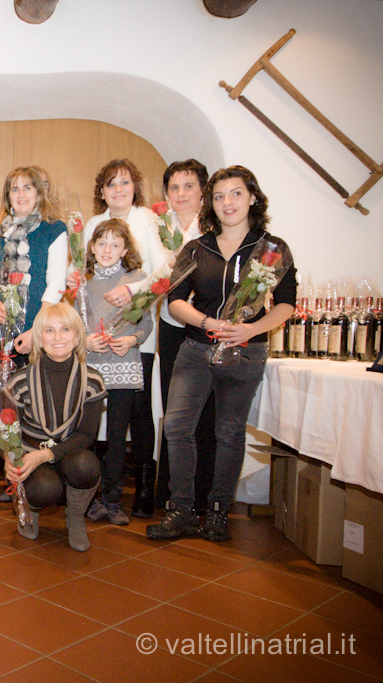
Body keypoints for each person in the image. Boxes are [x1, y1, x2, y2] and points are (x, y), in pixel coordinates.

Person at [147, 166, 296, 542]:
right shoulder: (197, 247)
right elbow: (175, 300)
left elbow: (286, 304)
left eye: (235, 194)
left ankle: (217, 512)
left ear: (252, 198)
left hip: (246, 352)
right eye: (219, 196)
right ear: (210, 204)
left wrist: (251, 328)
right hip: (196, 349)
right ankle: (180, 509)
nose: (227, 203)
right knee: (179, 428)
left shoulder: (272, 249)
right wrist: (206, 322)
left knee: (229, 433)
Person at [79, 159, 169, 519]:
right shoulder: (93, 226)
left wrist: (132, 290)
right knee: (94, 425)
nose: (118, 189)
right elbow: (81, 302)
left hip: (131, 346)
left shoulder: (146, 219)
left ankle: (134, 491)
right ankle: (90, 491)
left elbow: (162, 272)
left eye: (125, 183)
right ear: (101, 190)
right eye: (111, 183)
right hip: (96, 352)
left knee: (134, 418)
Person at [3, 303, 106, 551]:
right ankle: (29, 511)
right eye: (49, 331)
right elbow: (6, 430)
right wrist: (9, 458)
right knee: (44, 487)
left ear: (78, 335)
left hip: (69, 453)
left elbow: (87, 436)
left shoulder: (93, 380)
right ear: (39, 337)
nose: (58, 337)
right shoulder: (19, 379)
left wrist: (47, 454)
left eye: (65, 329)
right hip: (30, 455)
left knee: (87, 464)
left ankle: (75, 518)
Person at [152, 159, 216, 518]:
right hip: (172, 325)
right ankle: (171, 496)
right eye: (174, 188)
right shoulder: (159, 228)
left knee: (206, 413)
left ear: (202, 192)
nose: (181, 194)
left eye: (188, 186)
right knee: (174, 412)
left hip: (207, 327)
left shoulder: (213, 228)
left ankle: (205, 497)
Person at [78, 220, 152, 526]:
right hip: (93, 368)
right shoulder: (84, 285)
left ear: (125, 250)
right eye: (102, 243)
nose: (108, 250)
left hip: (124, 366)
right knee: (91, 437)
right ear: (92, 248)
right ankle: (92, 497)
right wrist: (85, 341)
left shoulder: (136, 280)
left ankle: (113, 498)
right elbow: (76, 329)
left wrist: (133, 339)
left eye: (115, 244)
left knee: (118, 436)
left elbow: (147, 322)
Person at [0, 166, 68, 361]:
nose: (21, 194)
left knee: (35, 390)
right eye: (15, 189)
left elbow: (56, 282)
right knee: (1, 391)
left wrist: (37, 329)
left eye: (27, 188)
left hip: (37, 329)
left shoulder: (54, 228)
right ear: (8, 196)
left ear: (39, 193)